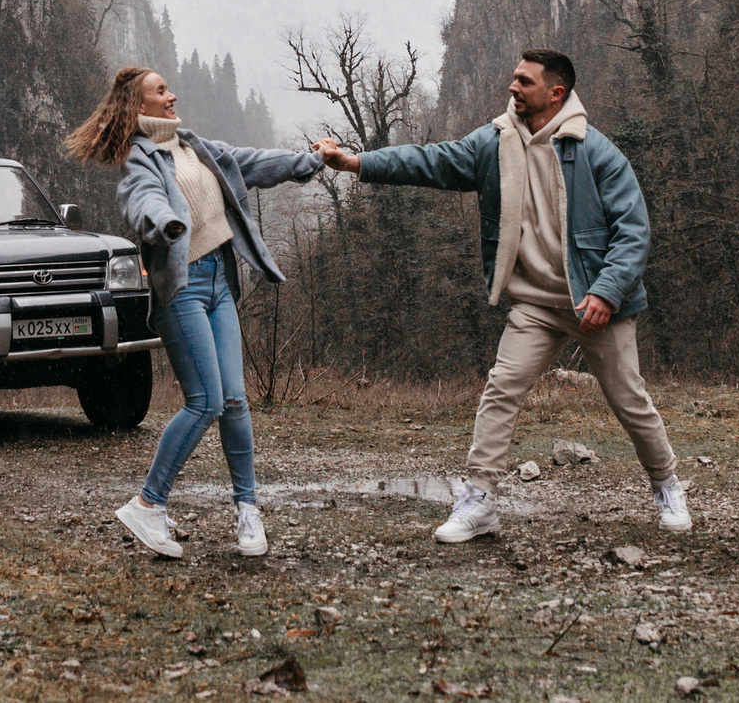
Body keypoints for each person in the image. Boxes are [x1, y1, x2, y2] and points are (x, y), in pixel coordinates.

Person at [315, 48, 690, 542]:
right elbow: (433, 160)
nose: (512, 88)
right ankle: (479, 501)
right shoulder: (495, 142)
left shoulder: (596, 151)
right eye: (513, 78)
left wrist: (606, 291)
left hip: (595, 304)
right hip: (534, 303)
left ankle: (666, 485)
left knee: (629, 402)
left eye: (524, 82)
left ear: (555, 93)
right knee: (502, 388)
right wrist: (358, 162)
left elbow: (633, 231)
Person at [66, 64, 322, 559]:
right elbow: (141, 201)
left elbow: (251, 163)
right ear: (139, 107)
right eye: (161, 91)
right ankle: (148, 504)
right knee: (204, 400)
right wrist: (165, 222)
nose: (172, 95)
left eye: (168, 88)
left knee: (234, 401)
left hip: (221, 284)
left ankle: (248, 511)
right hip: (182, 291)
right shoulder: (140, 160)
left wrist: (308, 161)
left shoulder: (193, 146)